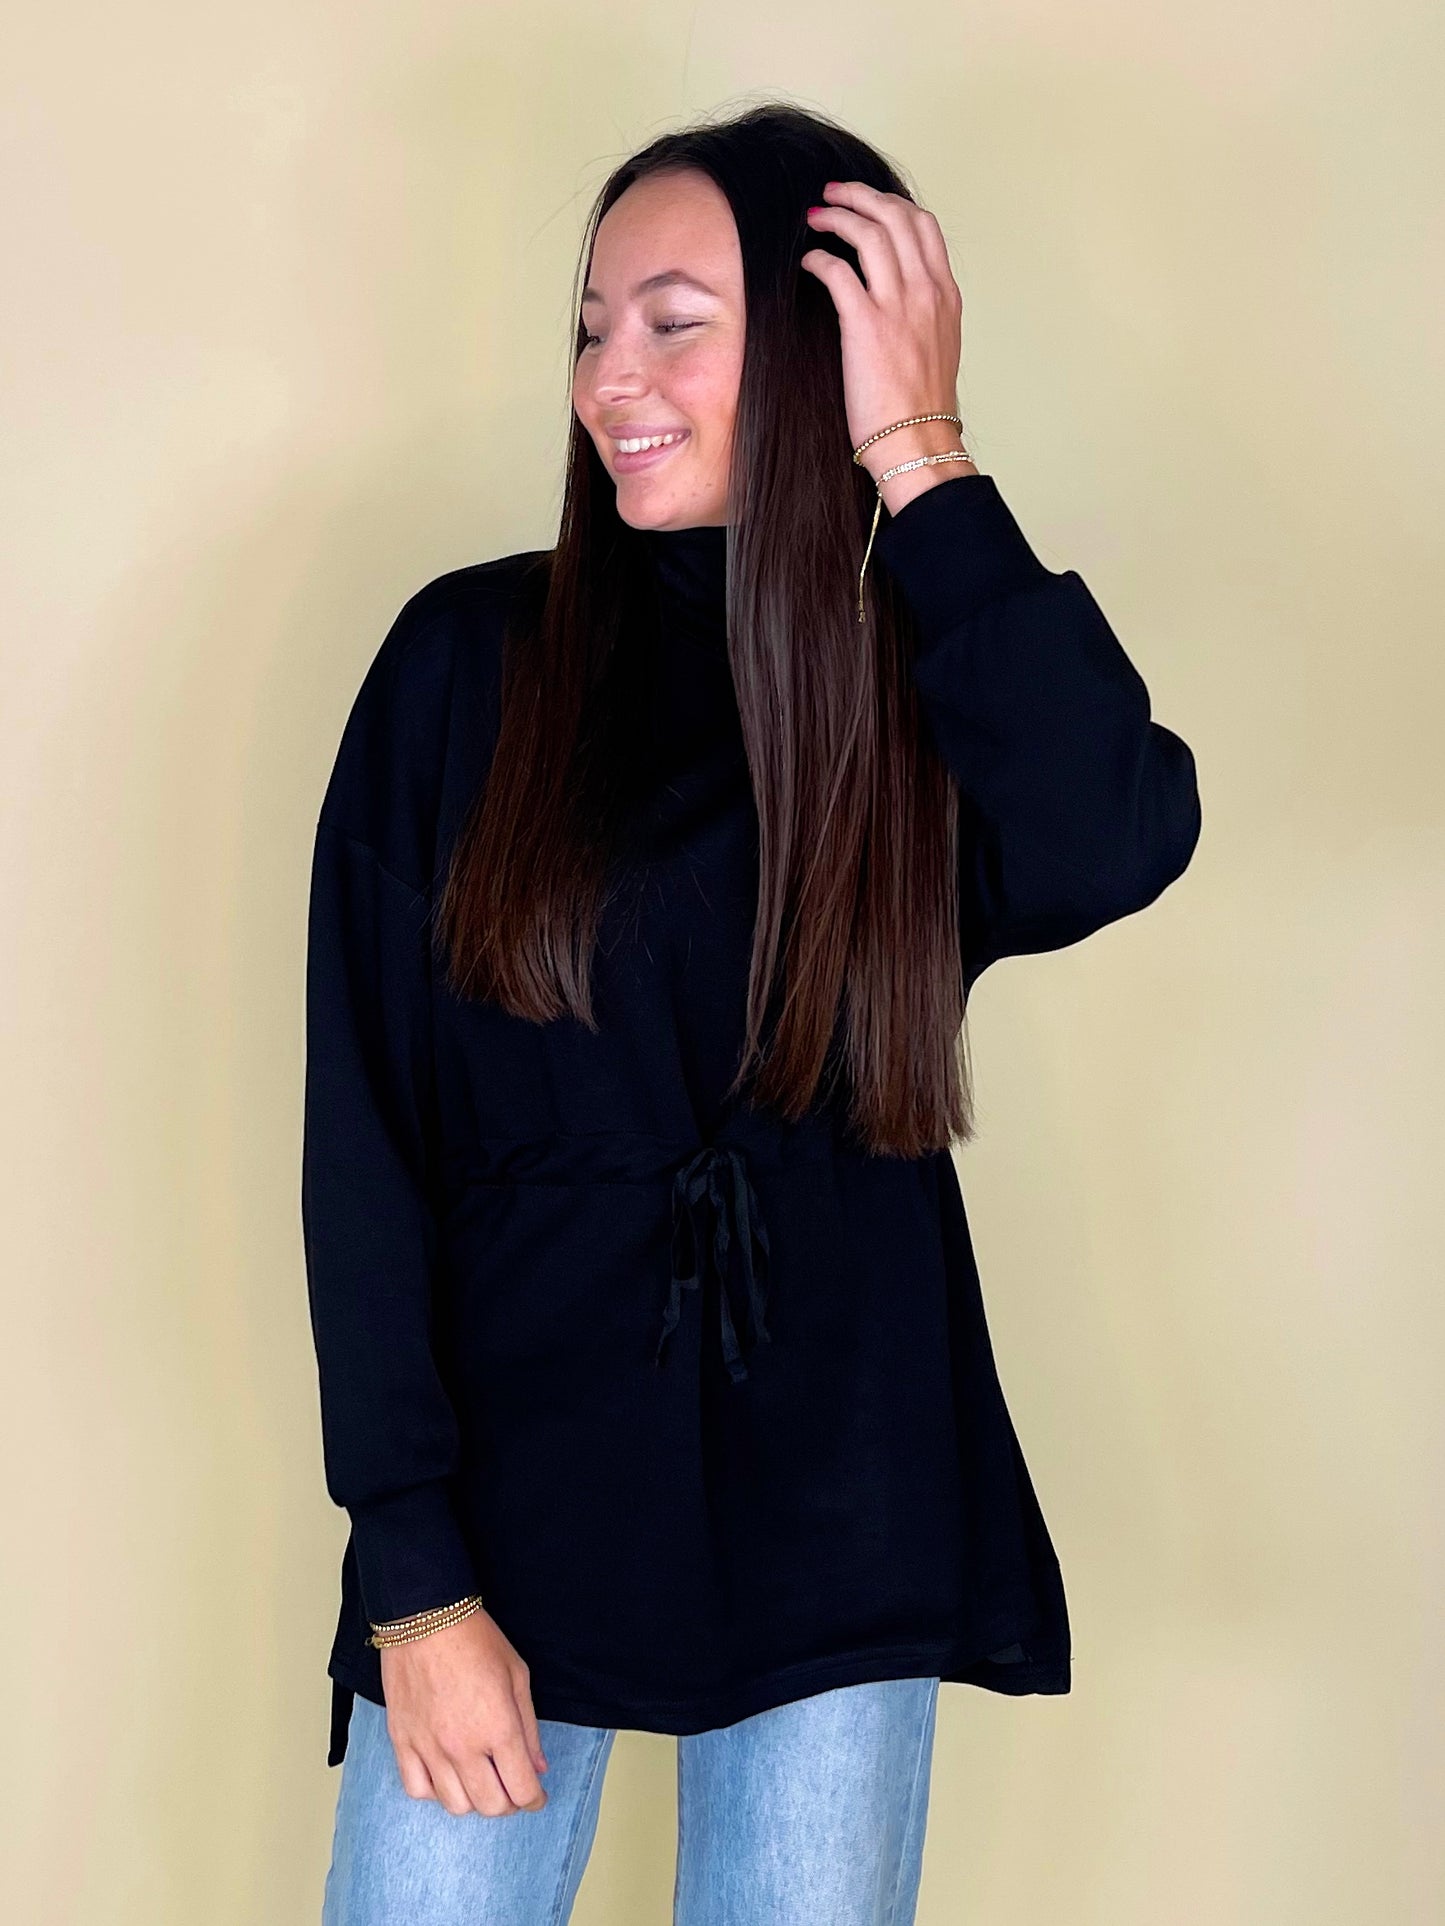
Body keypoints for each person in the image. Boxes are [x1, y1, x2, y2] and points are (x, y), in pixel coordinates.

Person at [302, 102, 1202, 1924]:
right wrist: (412, 1576)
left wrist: (921, 452)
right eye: (590, 327)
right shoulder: (462, 666)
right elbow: (366, 1138)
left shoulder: (905, 687)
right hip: (510, 1503)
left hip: (844, 1491)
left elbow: (1113, 832)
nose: (607, 380)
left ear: (812, 350)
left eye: (674, 323)